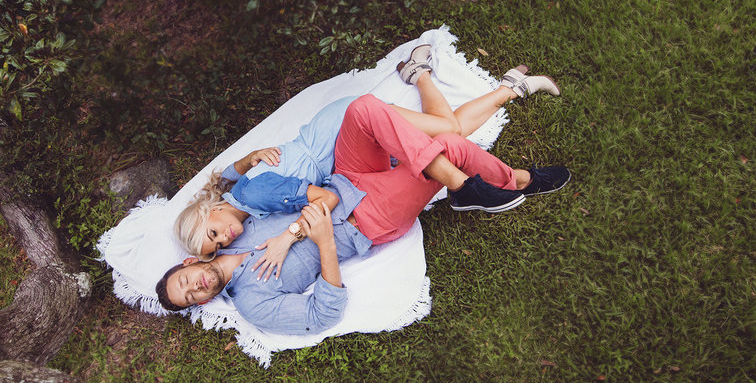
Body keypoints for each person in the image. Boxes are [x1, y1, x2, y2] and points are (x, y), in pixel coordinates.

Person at [155, 92, 571, 335]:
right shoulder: (253, 303)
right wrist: (320, 242)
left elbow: (303, 195)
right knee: (451, 147)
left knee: (364, 108)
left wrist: (289, 232)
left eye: (187, 281)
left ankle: (465, 188)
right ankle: (516, 181)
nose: (197, 288)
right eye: (192, 297)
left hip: (346, 179)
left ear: (190, 263)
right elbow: (323, 315)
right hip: (367, 219)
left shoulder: (240, 228)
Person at [174, 43, 561, 275]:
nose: (225, 240)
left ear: (208, 213)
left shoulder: (255, 195)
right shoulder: (241, 196)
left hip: (337, 131)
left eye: (213, 234)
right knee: (445, 137)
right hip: (345, 157)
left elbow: (313, 198)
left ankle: (441, 77)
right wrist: (246, 158)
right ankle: (496, 86)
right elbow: (225, 175)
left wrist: (285, 235)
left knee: (449, 130)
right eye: (217, 246)